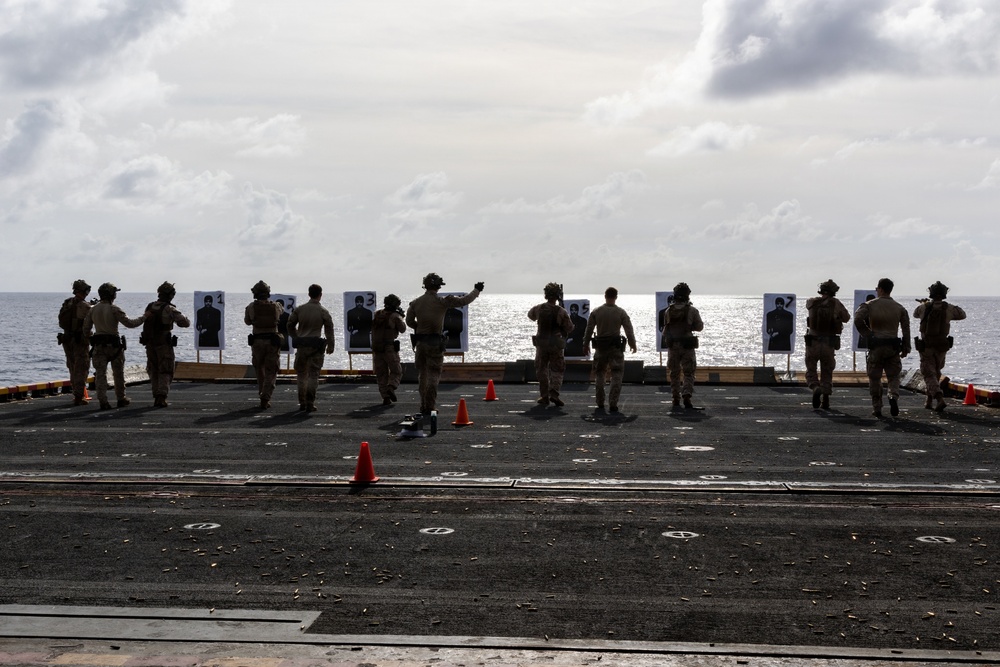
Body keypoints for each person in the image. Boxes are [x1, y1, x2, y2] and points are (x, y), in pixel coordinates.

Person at [405, 273, 483, 414]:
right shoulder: (442, 302)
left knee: (422, 375)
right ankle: (430, 406)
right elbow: (463, 301)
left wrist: (419, 327)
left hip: (420, 343)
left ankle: (423, 405)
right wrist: (476, 290)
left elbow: (409, 321)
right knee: (434, 374)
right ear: (438, 286)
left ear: (425, 285)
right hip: (435, 343)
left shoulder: (416, 303)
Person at [83, 282, 145, 410]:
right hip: (115, 347)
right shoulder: (114, 309)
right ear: (112, 294)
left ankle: (103, 401)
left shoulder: (92, 309)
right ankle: (121, 398)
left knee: (100, 375)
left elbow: (86, 329)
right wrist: (144, 317)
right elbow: (130, 323)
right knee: (118, 373)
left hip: (99, 346)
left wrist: (93, 337)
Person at [854, 278, 910, 418]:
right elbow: (906, 329)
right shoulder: (899, 307)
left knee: (874, 378)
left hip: (876, 346)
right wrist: (906, 347)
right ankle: (893, 396)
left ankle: (877, 407)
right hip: (892, 347)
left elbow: (857, 319)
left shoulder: (869, 305)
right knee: (894, 376)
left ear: (880, 289)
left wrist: (868, 334)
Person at [913, 281, 966, 412]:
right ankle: (929, 400)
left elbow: (915, 314)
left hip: (927, 347)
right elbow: (962, 314)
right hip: (941, 347)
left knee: (928, 373)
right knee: (935, 372)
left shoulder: (923, 308)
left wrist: (924, 304)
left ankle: (939, 397)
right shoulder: (949, 308)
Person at [582, 287, 636, 413]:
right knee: (617, 374)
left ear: (605, 296)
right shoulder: (621, 312)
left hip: (601, 348)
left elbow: (589, 329)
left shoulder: (596, 312)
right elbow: (629, 329)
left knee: (600, 373)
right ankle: (613, 403)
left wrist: (585, 344)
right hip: (615, 349)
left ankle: (600, 401)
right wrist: (632, 344)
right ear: (616, 297)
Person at [142, 281, 191, 407]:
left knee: (153, 370)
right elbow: (185, 323)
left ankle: (156, 394)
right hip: (163, 344)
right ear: (170, 295)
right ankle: (161, 396)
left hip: (150, 343)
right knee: (166, 370)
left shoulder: (150, 306)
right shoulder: (169, 309)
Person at [804, 279, 851, 410]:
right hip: (828, 343)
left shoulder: (811, 302)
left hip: (812, 342)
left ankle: (815, 386)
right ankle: (825, 400)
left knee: (811, 369)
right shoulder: (836, 304)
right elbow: (847, 318)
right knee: (827, 371)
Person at [287, 284, 335, 412]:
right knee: (313, 375)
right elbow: (329, 329)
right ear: (320, 295)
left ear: (309, 294)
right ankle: (310, 402)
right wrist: (331, 345)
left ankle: (302, 402)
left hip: (302, 346)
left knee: (301, 375)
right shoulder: (323, 311)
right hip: (315, 348)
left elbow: (290, 324)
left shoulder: (299, 309)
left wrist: (296, 337)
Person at [528, 282, 574, 407]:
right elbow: (569, 328)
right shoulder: (561, 311)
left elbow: (530, 315)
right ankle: (554, 393)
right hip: (555, 345)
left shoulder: (539, 308)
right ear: (558, 296)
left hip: (541, 344)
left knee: (541, 369)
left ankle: (544, 396)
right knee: (557, 370)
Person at [661, 282, 704, 409]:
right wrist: (690, 327)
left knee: (674, 373)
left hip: (673, 346)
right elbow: (700, 327)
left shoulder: (668, 311)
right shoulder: (692, 310)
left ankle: (675, 398)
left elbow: (665, 331)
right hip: (687, 346)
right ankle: (686, 395)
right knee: (689, 372)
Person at [245, 280, 284, 409]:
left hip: (257, 342)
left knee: (259, 369)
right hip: (272, 342)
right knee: (271, 370)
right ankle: (265, 396)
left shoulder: (251, 307)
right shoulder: (276, 306)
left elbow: (247, 321)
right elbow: (281, 313)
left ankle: (262, 392)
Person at [58, 279, 93, 405]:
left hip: (67, 339)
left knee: (72, 367)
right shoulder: (84, 305)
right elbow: (92, 315)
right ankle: (79, 396)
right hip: (79, 340)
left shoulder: (68, 302)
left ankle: (76, 393)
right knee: (81, 367)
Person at [371, 294, 407, 406]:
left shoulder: (377, 314)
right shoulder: (395, 316)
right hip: (389, 348)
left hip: (377, 349)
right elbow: (403, 329)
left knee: (381, 374)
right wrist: (401, 317)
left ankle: (385, 397)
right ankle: (391, 387)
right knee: (396, 371)